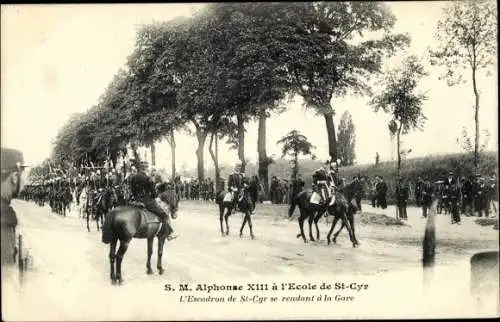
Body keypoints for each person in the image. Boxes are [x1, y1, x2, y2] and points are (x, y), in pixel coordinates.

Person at [129, 162, 177, 241]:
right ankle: (169, 233)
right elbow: (153, 193)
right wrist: (155, 196)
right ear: (146, 168)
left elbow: (133, 190)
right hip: (147, 201)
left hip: (136, 200)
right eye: (147, 167)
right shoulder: (147, 178)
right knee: (164, 215)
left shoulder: (134, 177)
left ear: (140, 168)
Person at [1, 148, 28, 271]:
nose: (24, 181)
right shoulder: (5, 215)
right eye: (23, 175)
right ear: (15, 177)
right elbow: (7, 279)